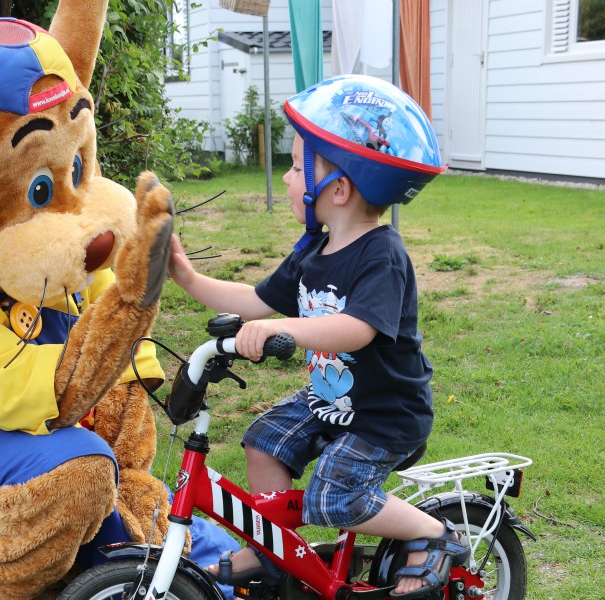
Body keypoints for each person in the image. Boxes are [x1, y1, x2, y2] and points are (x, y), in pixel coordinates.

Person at [167, 75, 468, 600]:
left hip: (385, 413)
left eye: (293, 165)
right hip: (329, 400)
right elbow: (256, 300)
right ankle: (273, 553)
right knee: (264, 441)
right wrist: (189, 279)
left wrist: (283, 328)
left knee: (334, 495)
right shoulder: (314, 252)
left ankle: (434, 533)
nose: (285, 178)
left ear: (338, 188)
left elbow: (356, 330)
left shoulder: (382, 255)